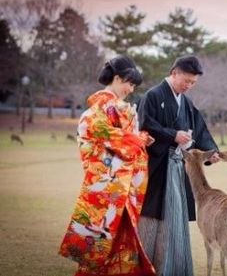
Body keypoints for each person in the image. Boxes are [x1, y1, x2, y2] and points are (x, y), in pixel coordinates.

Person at [59, 55, 156, 276]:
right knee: (101, 238)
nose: (130, 89)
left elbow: (123, 138)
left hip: (117, 184)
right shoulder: (96, 110)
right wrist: (136, 140)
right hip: (106, 185)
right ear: (117, 78)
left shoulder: (118, 109)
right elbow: (110, 137)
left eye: (133, 85)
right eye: (129, 83)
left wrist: (139, 138)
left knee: (119, 234)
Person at [137, 55, 219, 275]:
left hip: (177, 168)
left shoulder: (186, 102)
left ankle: (173, 267)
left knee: (175, 218)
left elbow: (199, 130)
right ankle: (146, 266)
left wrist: (212, 152)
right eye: (186, 81)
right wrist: (172, 134)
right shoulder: (153, 95)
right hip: (156, 169)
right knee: (151, 218)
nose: (189, 86)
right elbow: (144, 124)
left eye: (193, 83)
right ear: (174, 72)